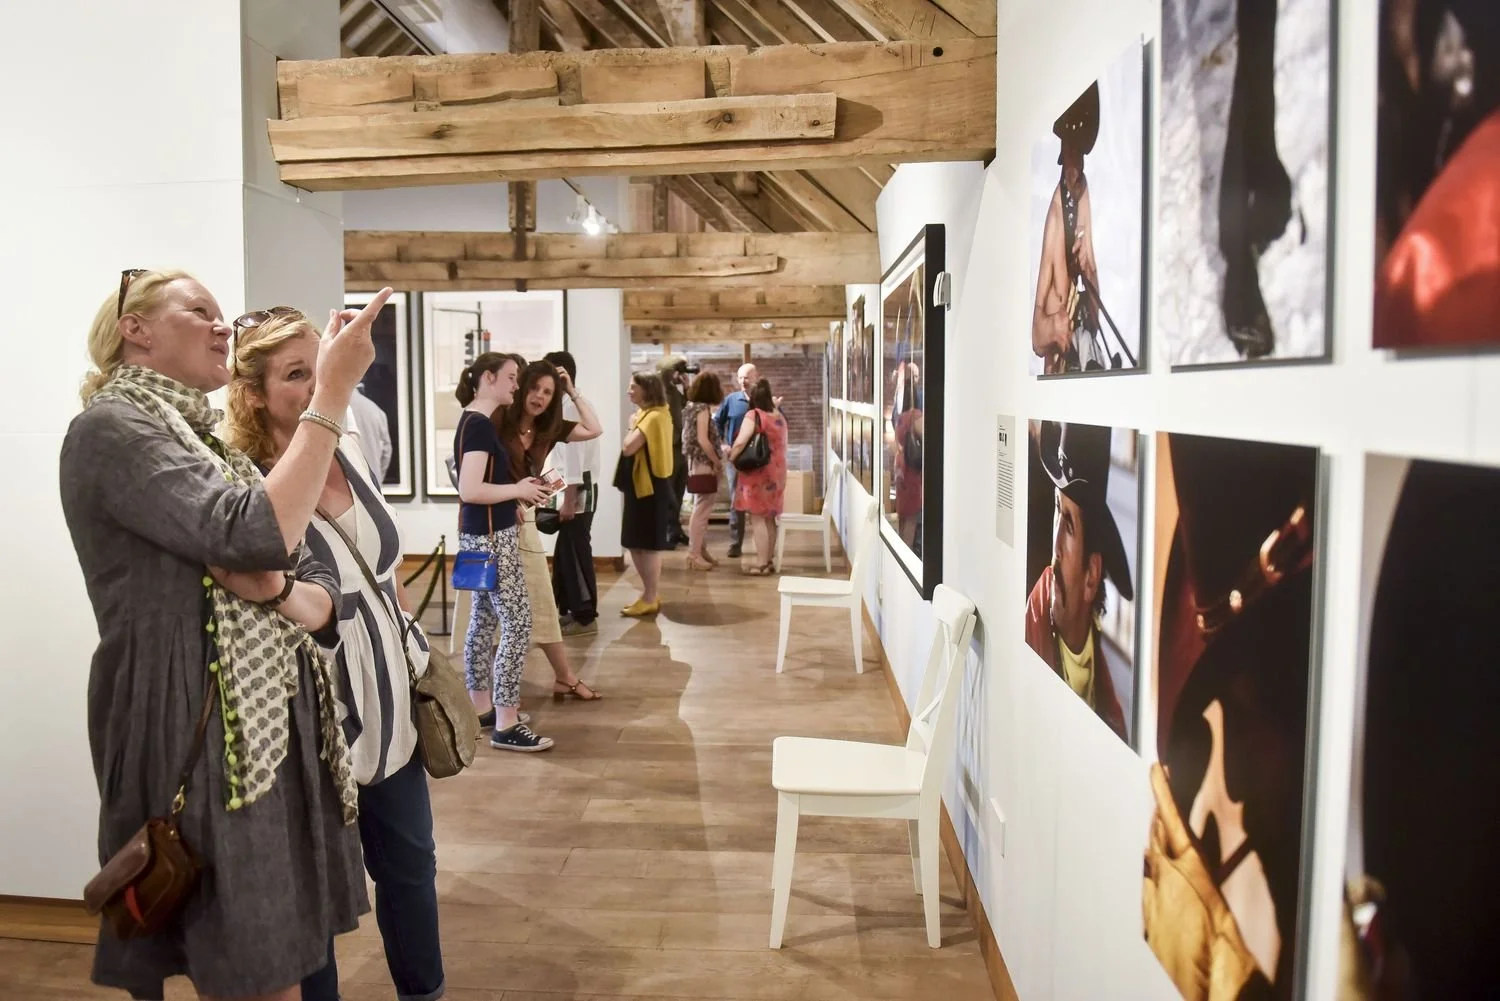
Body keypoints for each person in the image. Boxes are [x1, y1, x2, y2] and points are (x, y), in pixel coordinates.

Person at [60, 270, 390, 1001]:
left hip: (253, 730)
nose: (221, 326)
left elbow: (310, 572)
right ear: (135, 329)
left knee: (272, 956)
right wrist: (331, 393)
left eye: (221, 314)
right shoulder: (112, 429)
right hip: (198, 728)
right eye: (199, 311)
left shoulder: (206, 444)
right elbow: (259, 530)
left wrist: (279, 589)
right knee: (252, 963)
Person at [223, 310, 445, 1001]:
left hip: (390, 696)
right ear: (252, 392)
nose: (319, 382)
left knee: (410, 866)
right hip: (310, 711)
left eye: (320, 365)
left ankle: (425, 991)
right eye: (296, 374)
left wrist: (414, 653)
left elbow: (386, 566)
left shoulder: (346, 447)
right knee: (315, 891)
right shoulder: (248, 479)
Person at [453, 352, 554, 753]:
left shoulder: (473, 420)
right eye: (512, 377)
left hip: (482, 533)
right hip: (493, 539)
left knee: (483, 619)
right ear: (489, 378)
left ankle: (481, 705)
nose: (517, 384)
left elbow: (476, 489)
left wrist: (512, 494)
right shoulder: (479, 425)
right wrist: (519, 490)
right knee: (517, 623)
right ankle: (507, 719)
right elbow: (470, 489)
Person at [494, 359, 604, 701]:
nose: (539, 397)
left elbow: (594, 428)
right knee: (487, 618)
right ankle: (490, 697)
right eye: (534, 388)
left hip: (521, 522)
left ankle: (562, 677)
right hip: (493, 521)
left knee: (537, 602)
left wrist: (572, 391)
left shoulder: (549, 427)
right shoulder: (499, 421)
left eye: (547, 392)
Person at [1022, 422, 1132, 742]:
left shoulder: (1110, 698)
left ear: (1091, 576)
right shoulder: (1032, 627)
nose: (1054, 545)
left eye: (1068, 525)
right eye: (1058, 511)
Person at [1032, 83, 1118, 373]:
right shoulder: (1055, 221)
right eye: (1072, 152)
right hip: (1059, 375)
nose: (1076, 170)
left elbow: (1089, 260)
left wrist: (1090, 280)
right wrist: (1054, 327)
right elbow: (1035, 337)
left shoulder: (1081, 190)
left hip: (1083, 350)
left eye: (1080, 156)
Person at [543, 350, 601, 637]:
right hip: (572, 491)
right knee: (567, 553)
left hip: (577, 494)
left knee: (575, 553)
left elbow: (575, 460)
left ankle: (584, 615)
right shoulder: (567, 406)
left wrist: (568, 501)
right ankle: (571, 610)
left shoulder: (571, 407)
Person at [618, 372, 676, 616]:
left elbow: (629, 447)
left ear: (647, 389)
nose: (629, 391)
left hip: (648, 488)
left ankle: (650, 595)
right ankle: (648, 593)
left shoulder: (650, 417)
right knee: (636, 543)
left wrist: (631, 426)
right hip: (646, 487)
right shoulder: (657, 414)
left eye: (634, 387)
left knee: (646, 545)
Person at [714, 362, 785, 559]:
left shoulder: (760, 411)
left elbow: (746, 441)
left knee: (759, 515)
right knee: (744, 506)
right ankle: (741, 546)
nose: (744, 382)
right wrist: (723, 445)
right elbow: (717, 423)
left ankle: (762, 559)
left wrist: (733, 454)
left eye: (747, 377)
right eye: (741, 377)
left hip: (757, 466)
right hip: (758, 466)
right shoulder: (732, 401)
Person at [727, 378, 788, 577]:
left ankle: (761, 564)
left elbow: (740, 442)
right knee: (770, 518)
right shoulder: (778, 416)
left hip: (758, 473)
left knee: (757, 518)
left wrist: (732, 457)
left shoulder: (754, 415)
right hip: (777, 472)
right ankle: (768, 561)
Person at [682, 372, 726, 571]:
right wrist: (716, 462)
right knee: (701, 510)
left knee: (702, 509)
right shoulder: (702, 410)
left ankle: (700, 550)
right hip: (703, 463)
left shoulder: (690, 408)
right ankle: (694, 554)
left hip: (695, 463)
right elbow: (703, 439)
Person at [656, 353, 694, 547]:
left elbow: (688, 407)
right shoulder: (659, 389)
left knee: (678, 491)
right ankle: (664, 533)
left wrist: (687, 387)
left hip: (680, 447)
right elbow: (662, 371)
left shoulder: (674, 391)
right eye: (677, 370)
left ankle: (675, 529)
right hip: (667, 447)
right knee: (668, 492)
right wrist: (675, 366)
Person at [347, 382, 392, 483]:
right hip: (372, 488)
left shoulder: (330, 410)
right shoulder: (377, 411)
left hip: (341, 490)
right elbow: (386, 453)